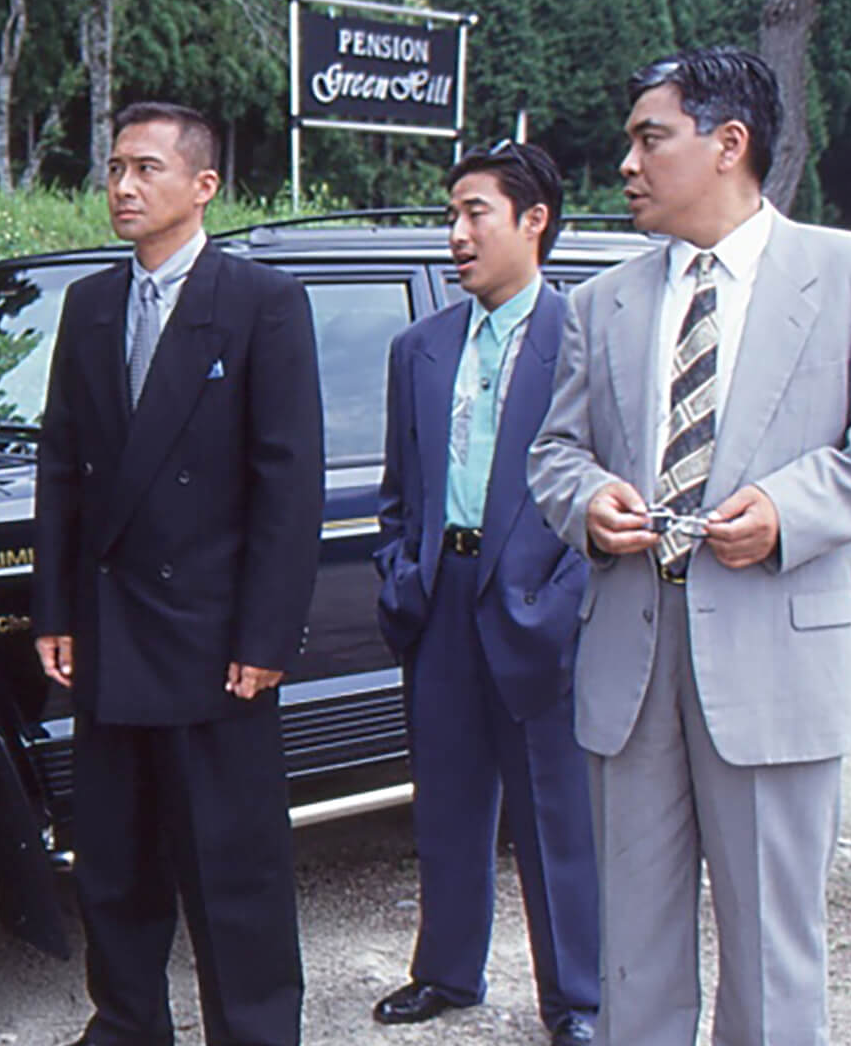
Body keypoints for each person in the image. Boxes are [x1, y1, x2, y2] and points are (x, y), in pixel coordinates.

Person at [528, 47, 851, 1045]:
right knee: (633, 951)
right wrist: (589, 503)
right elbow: (555, 453)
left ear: (729, 143)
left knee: (772, 957)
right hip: (630, 661)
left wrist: (789, 509)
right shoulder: (601, 302)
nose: (627, 163)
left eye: (650, 138)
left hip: (775, 657)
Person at [33, 101, 323, 1046]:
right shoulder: (90, 305)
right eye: (116, 167)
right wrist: (56, 610)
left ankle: (256, 1033)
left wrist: (266, 636)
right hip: (111, 631)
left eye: (146, 169)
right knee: (114, 865)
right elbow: (62, 469)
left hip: (214, 640)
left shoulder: (260, 302)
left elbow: (289, 483)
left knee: (234, 872)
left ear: (203, 187)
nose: (122, 187)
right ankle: (125, 1026)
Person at [372, 141, 597, 1046]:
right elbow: (400, 490)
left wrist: (566, 596)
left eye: (476, 214)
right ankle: (446, 971)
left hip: (540, 597)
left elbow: (611, 482)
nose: (456, 235)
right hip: (442, 596)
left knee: (554, 812)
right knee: (448, 800)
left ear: (533, 220)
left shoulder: (582, 338)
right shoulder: (420, 348)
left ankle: (577, 999)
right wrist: (404, 572)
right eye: (451, 215)